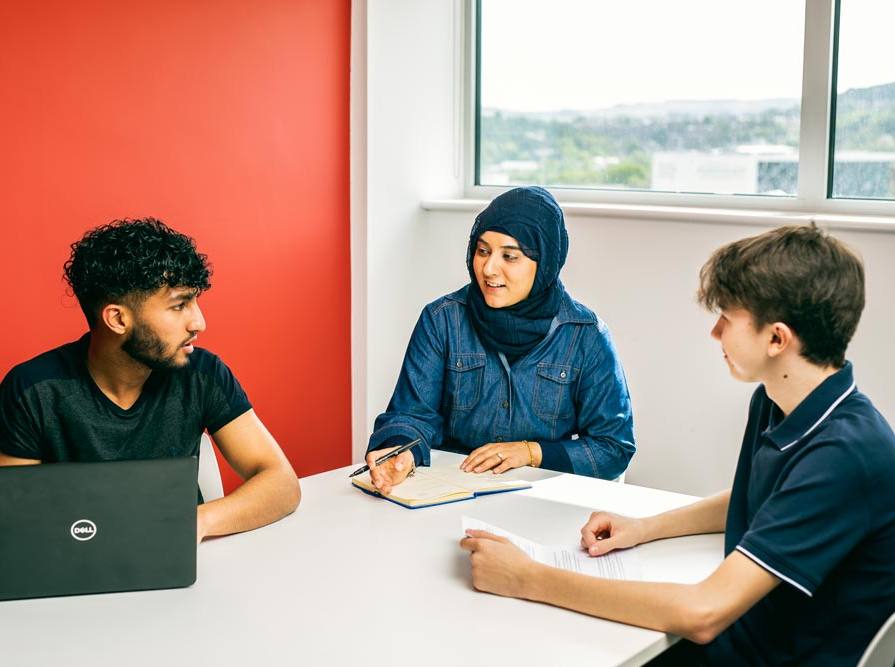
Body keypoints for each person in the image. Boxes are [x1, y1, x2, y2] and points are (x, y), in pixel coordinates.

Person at [461, 224, 895, 666]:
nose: (715, 332)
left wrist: (528, 578)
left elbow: (702, 614)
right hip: (746, 639)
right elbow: (763, 499)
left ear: (776, 338)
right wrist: (644, 526)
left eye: (727, 318)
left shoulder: (845, 454)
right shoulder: (778, 399)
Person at [0, 217, 300, 542]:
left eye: (195, 302)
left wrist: (197, 522)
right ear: (118, 319)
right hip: (74, 567)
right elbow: (4, 521)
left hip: (179, 565)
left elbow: (282, 483)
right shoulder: (32, 389)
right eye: (179, 305)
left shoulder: (202, 373)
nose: (199, 323)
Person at [366, 186, 634, 493]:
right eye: (482, 251)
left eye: (509, 256)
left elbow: (614, 447)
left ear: (544, 261)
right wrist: (400, 451)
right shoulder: (442, 320)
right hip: (449, 492)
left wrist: (531, 452)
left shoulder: (586, 335)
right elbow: (411, 415)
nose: (489, 268)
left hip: (543, 500)